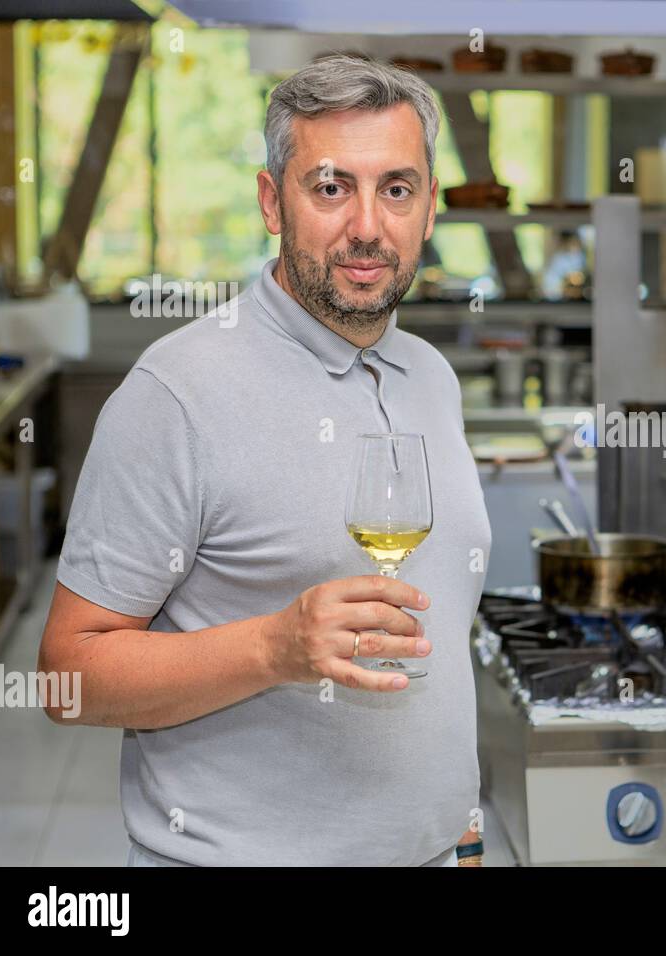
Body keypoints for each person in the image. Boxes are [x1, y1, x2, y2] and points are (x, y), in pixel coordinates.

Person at [38, 55, 492, 867]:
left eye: (396, 188)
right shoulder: (174, 395)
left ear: (428, 209)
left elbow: (439, 641)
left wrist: (456, 827)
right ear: (270, 201)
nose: (366, 225)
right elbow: (66, 677)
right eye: (329, 187)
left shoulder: (432, 376)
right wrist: (274, 648)